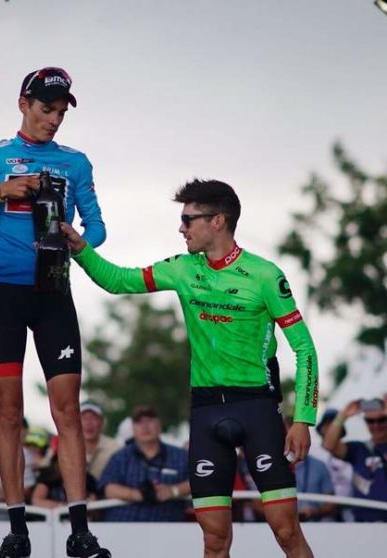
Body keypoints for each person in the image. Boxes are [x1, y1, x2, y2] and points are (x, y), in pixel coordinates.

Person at [62, 179, 318, 557]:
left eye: (188, 219)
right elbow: (119, 281)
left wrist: (303, 419)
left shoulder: (264, 274)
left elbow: (305, 348)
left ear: (217, 221)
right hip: (206, 410)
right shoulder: (182, 269)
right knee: (214, 540)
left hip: (258, 409)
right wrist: (80, 249)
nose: (181, 228)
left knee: (285, 531)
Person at [0, 66, 110, 558]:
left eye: (60, 112)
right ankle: (18, 531)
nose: (54, 120)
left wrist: (82, 241)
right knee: (8, 415)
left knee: (68, 410)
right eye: (45, 109)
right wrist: (1, 192)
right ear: (23, 103)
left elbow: (97, 226)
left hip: (53, 290)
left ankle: (80, 530)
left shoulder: (75, 163)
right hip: (2, 293)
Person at [99, 405, 190, 522]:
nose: (145, 426)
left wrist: (173, 490)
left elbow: (199, 481)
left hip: (168, 528)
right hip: (123, 526)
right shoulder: (120, 457)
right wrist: (139, 494)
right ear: (133, 427)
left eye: (150, 420)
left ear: (159, 425)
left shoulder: (181, 456)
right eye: (139, 422)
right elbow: (107, 488)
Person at [321, 397, 387, 522]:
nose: (376, 425)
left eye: (382, 419)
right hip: (362, 526)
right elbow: (329, 445)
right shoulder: (359, 449)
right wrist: (343, 415)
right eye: (370, 421)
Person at [311, 409, 353, 521]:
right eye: (328, 424)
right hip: (315, 517)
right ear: (321, 428)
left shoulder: (353, 453)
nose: (331, 427)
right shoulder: (311, 454)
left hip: (347, 516)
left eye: (335, 424)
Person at [80, 401, 121, 481]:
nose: (88, 423)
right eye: (84, 418)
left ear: (102, 423)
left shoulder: (116, 448)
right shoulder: (66, 448)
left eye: (93, 418)